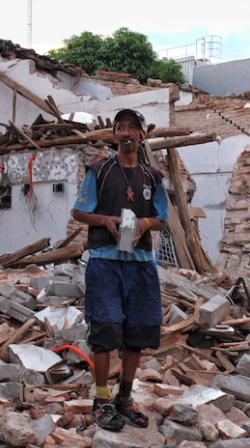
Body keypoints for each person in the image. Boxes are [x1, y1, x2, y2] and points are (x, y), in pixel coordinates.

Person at [71, 109, 169, 430]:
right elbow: (80, 211)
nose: (126, 133)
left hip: (140, 266)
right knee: (105, 329)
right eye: (120, 128)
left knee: (137, 332)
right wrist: (107, 221)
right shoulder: (99, 171)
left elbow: (162, 219)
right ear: (114, 135)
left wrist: (143, 223)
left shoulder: (152, 176)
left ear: (141, 135)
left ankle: (123, 399)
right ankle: (100, 401)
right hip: (104, 263)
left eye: (132, 128)